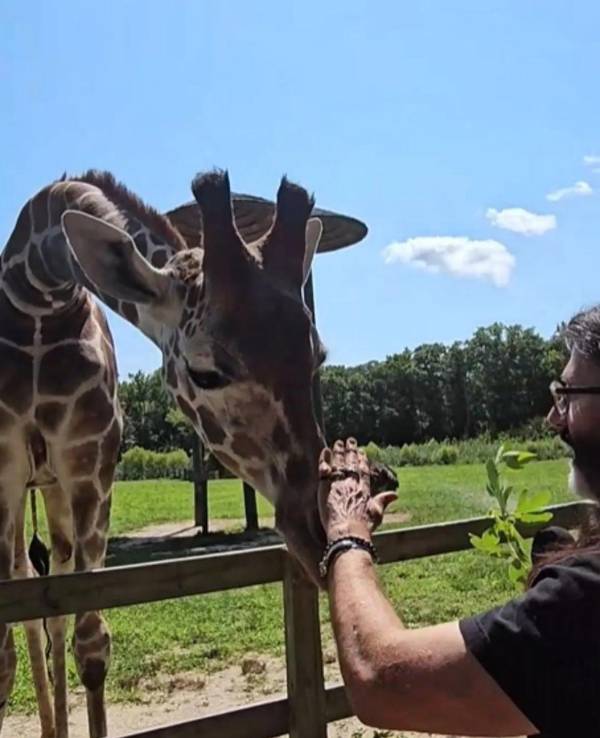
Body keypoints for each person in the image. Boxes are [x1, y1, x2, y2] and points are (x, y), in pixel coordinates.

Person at [317, 306, 600, 738]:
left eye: (568, 395)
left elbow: (382, 681)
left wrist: (347, 535)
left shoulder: (585, 595)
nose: (552, 418)